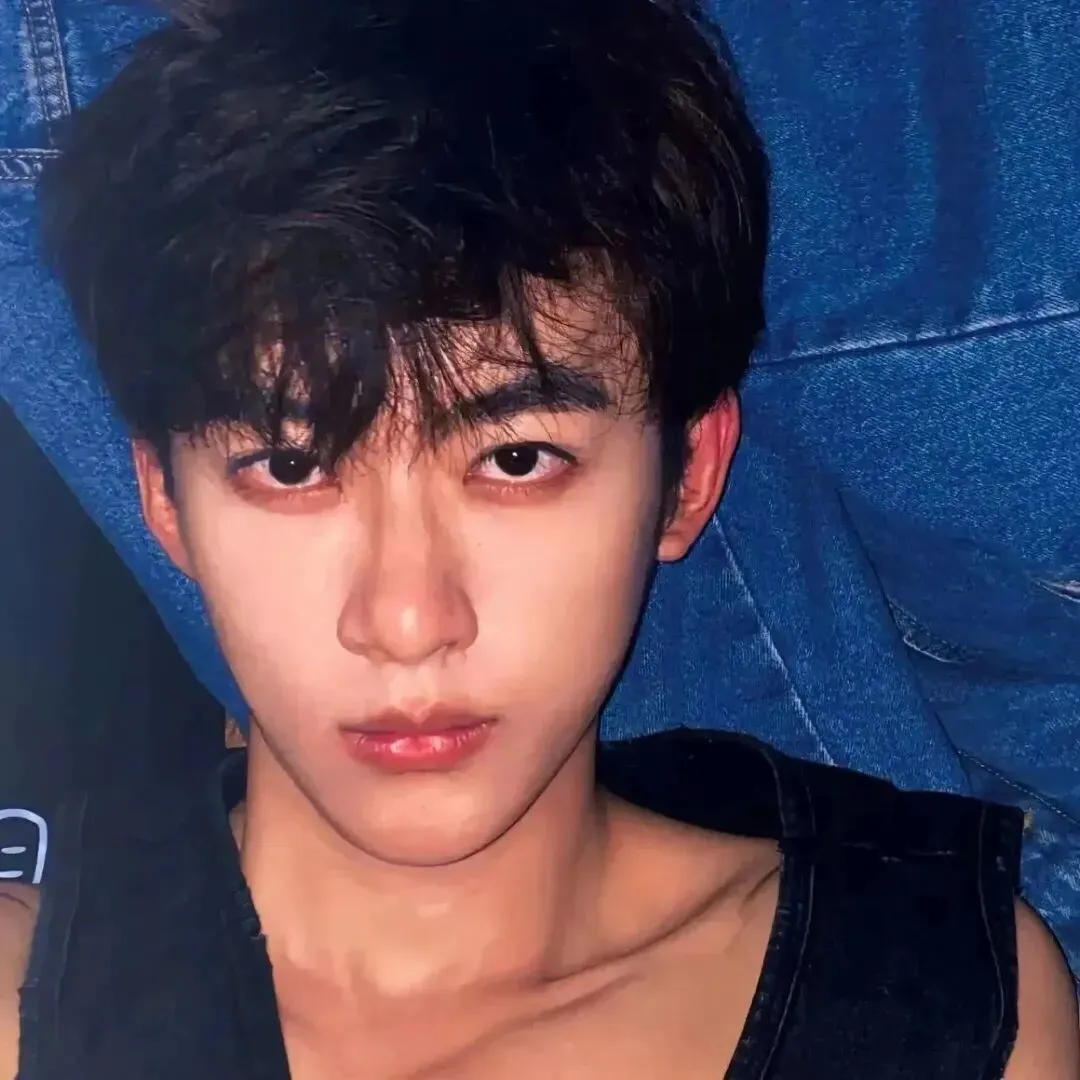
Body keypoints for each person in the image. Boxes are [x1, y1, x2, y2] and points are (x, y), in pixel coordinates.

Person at [1, 0, 1076, 1075]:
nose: (407, 621)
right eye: (291, 467)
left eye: (516, 460)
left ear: (688, 476)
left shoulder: (950, 1005)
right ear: (164, 498)